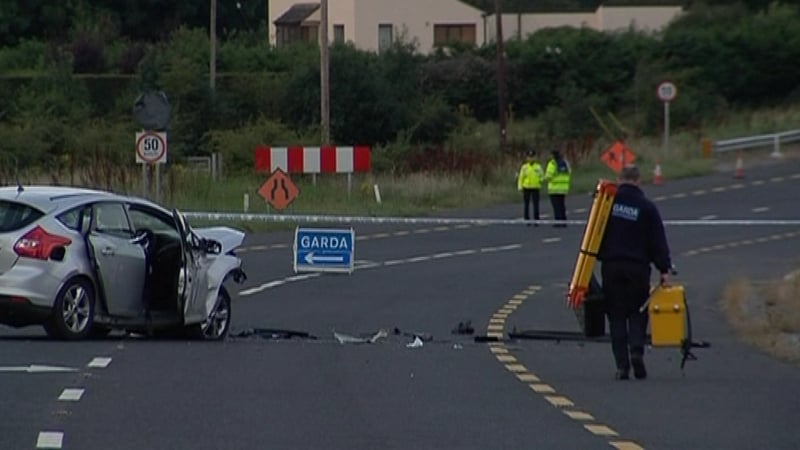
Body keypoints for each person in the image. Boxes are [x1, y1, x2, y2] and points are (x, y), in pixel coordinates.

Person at [598, 164, 672, 380]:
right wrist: (664, 268)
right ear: (639, 181)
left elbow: (595, 234)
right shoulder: (647, 207)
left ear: (619, 179)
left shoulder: (607, 204)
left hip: (611, 267)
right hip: (638, 268)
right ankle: (636, 351)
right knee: (638, 312)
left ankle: (622, 366)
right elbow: (658, 241)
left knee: (616, 316)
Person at [517, 149, 544, 226]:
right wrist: (520, 186)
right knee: (526, 204)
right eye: (529, 157)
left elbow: (542, 176)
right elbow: (521, 177)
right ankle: (527, 219)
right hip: (527, 187)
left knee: (536, 204)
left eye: (532, 157)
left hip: (535, 187)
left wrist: (540, 181)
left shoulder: (538, 167)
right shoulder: (524, 167)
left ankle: (536, 220)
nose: (531, 159)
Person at [545, 149, 571, 227]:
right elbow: (569, 172)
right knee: (562, 205)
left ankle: (558, 221)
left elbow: (549, 175)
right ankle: (563, 221)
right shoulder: (565, 163)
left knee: (556, 206)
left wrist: (543, 178)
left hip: (554, 188)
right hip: (563, 188)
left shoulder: (552, 163)